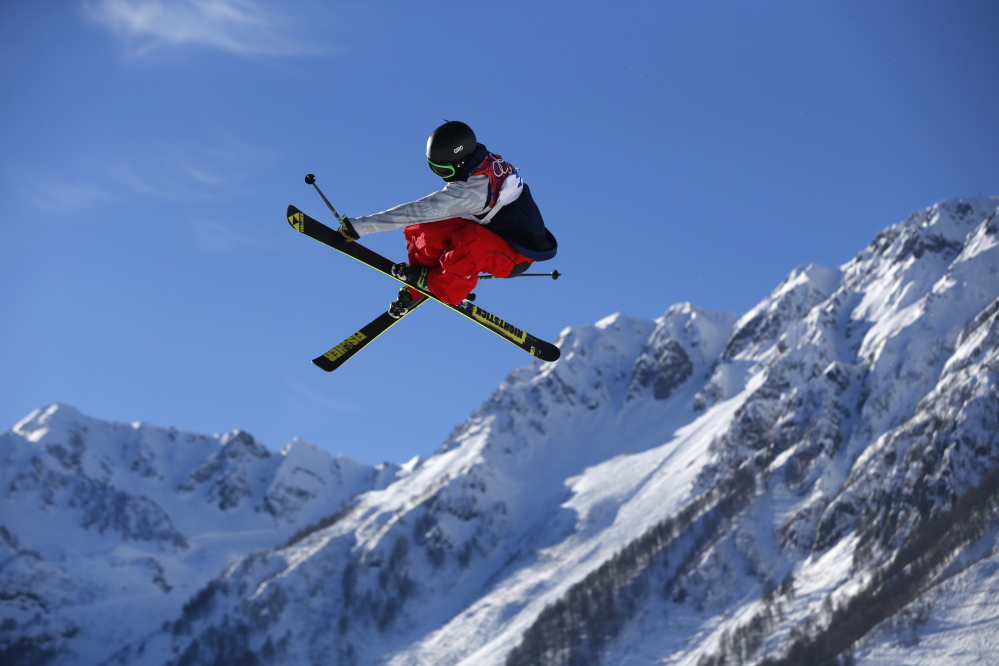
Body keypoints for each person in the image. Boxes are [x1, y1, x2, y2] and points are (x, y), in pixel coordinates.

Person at [337, 121, 557, 317]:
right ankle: (420, 284)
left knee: (470, 240)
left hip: (516, 256)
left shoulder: (472, 192)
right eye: (433, 167)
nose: (440, 175)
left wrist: (361, 227)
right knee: (422, 228)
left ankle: (441, 287)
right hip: (491, 231)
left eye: (442, 169)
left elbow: (417, 209)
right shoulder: (476, 162)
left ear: (460, 162)